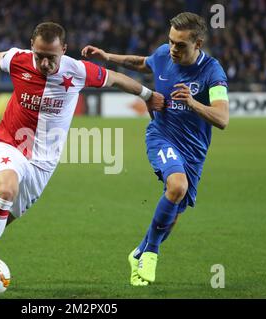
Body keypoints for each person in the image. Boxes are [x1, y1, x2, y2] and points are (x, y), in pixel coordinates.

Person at [0, 22, 165, 290]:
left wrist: (147, 95)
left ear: (64, 50)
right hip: (11, 143)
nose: (44, 63)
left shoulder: (76, 70)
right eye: (39, 55)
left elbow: (115, 78)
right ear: (32, 47)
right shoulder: (19, 60)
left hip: (43, 163)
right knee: (6, 192)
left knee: (0, 220)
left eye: (51, 57)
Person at [82, 12, 230, 286]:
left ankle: (139, 251)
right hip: (161, 135)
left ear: (198, 43)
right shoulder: (164, 53)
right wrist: (107, 56)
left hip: (194, 150)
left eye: (181, 45)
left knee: (174, 212)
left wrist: (193, 103)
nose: (173, 48)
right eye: (171, 41)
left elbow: (222, 119)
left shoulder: (212, 71)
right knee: (176, 186)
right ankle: (151, 252)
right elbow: (141, 63)